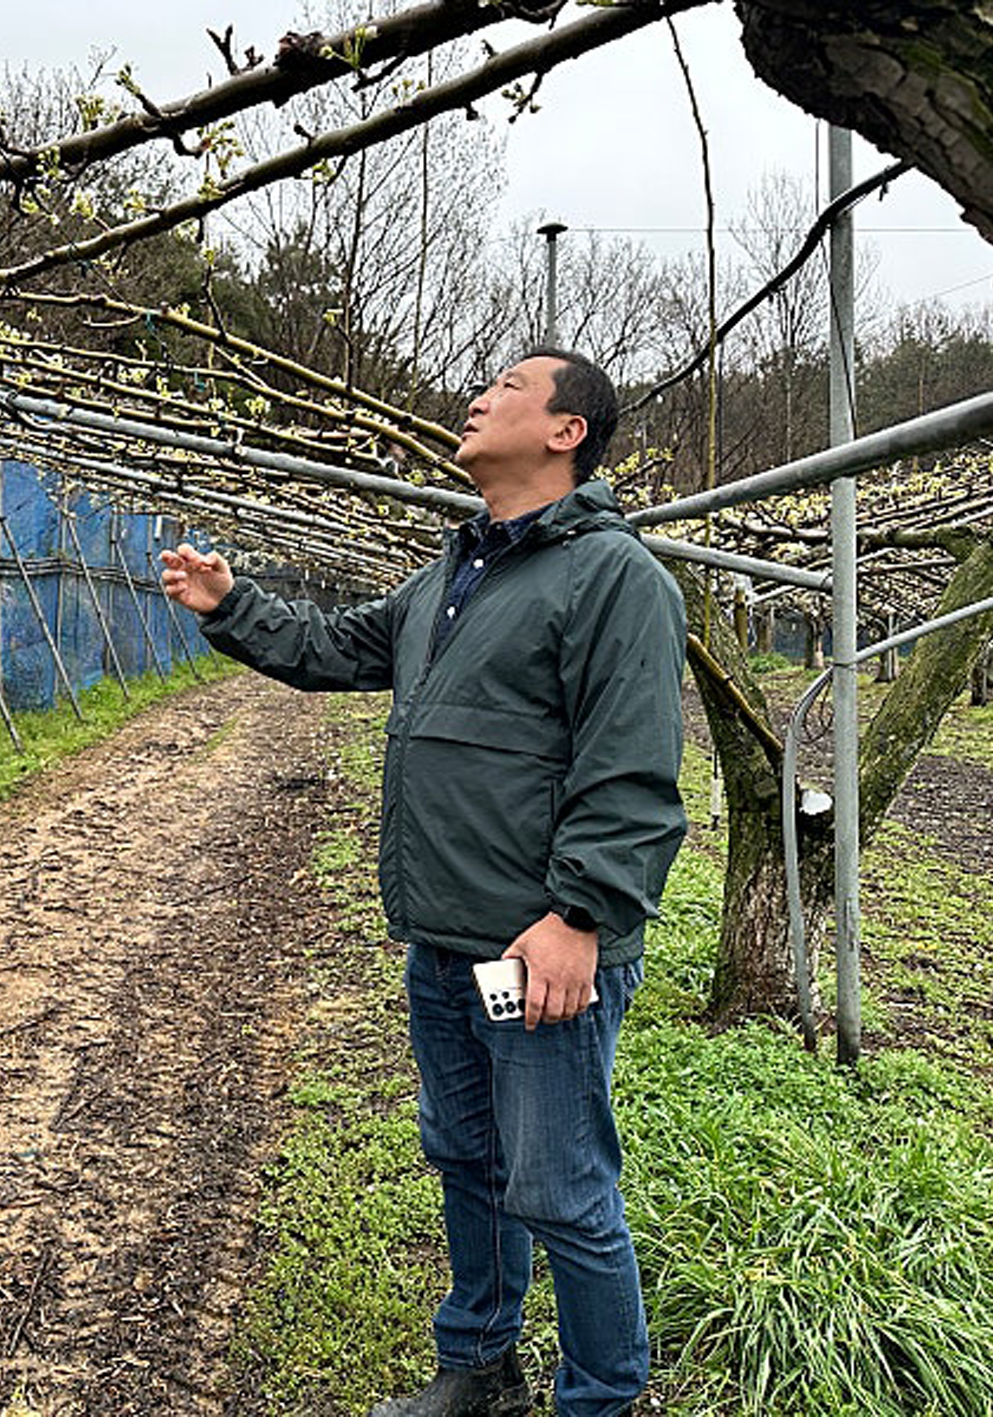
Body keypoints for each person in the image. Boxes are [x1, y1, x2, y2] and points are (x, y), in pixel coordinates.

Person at [161, 349, 685, 1417]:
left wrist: (579, 917)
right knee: (466, 1160)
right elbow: (332, 647)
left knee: (561, 1188)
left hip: (538, 950)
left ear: (565, 430)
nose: (477, 395)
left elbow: (629, 770)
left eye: (507, 386)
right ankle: (480, 1368)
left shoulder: (612, 576)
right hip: (448, 944)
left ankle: (602, 1398)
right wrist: (231, 604)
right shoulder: (455, 572)